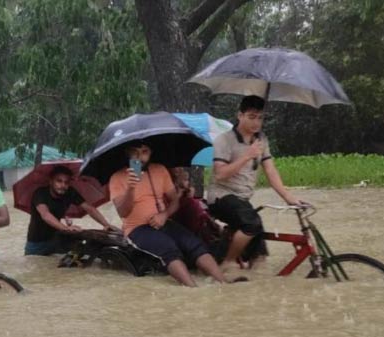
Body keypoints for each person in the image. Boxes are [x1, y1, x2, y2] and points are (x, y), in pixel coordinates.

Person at [109, 143, 234, 287]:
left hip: (163, 222)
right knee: (169, 249)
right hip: (137, 229)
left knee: (194, 243)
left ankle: (223, 283)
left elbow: (175, 201)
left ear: (150, 152)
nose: (140, 157)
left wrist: (164, 214)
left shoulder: (159, 170)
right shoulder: (117, 178)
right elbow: (123, 212)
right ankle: (193, 288)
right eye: (135, 152)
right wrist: (131, 188)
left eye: (144, 152)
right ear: (128, 154)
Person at [207, 95, 302, 271]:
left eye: (260, 117)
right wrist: (247, 155)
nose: (256, 122)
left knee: (260, 259)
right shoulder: (224, 140)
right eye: (251, 117)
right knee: (252, 224)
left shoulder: (261, 140)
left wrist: (289, 197)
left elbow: (271, 171)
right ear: (240, 115)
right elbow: (220, 174)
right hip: (221, 197)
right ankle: (228, 261)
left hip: (243, 201)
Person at [25, 165, 118, 256]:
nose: (63, 185)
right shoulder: (40, 193)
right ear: (51, 181)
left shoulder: (70, 192)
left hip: (57, 239)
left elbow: (90, 208)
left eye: (66, 182)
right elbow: (45, 215)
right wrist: (66, 228)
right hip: (36, 243)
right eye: (59, 181)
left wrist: (106, 225)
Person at [168, 167, 222, 246]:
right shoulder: (170, 185)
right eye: (185, 180)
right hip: (176, 212)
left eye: (187, 180)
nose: (188, 182)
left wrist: (189, 194)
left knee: (198, 204)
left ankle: (211, 227)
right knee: (194, 204)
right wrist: (181, 193)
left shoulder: (185, 190)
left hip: (188, 212)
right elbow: (173, 202)